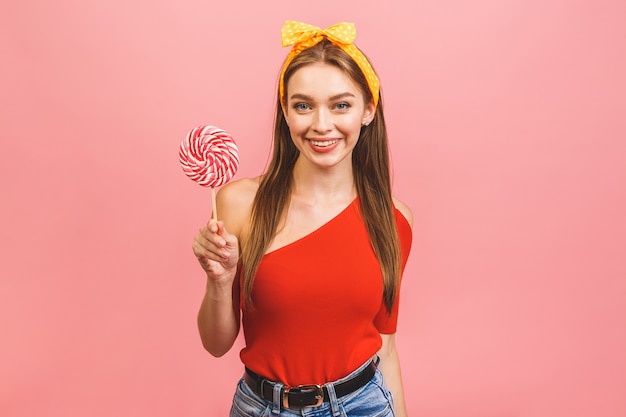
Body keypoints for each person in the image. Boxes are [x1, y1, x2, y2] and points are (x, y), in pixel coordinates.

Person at [192, 20, 413, 417]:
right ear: (286, 112)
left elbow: (388, 347)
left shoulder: (393, 220)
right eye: (303, 105)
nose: (321, 124)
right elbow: (216, 343)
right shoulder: (240, 203)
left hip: (364, 405)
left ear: (368, 110)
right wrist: (219, 281)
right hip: (261, 407)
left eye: (340, 104)